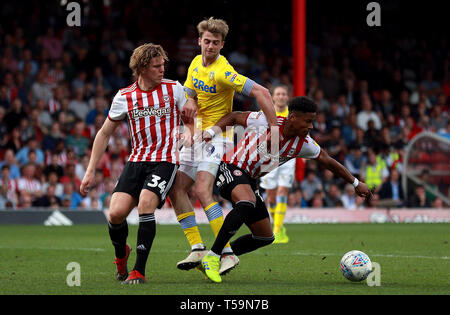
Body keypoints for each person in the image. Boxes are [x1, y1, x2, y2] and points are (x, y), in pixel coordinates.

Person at [196, 96, 372, 283]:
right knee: (247, 202)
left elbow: (328, 161)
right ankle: (213, 257)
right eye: (308, 121)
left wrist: (355, 183)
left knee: (264, 237)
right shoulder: (264, 120)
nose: (311, 127)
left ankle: (222, 255)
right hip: (230, 167)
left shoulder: (304, 144)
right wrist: (212, 131)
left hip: (250, 180)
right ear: (293, 118)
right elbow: (234, 117)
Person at [169, 17, 277, 275]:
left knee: (203, 190)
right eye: (206, 41)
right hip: (196, 134)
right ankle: (197, 247)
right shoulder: (196, 63)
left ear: (222, 45)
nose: (210, 46)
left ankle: (226, 253)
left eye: (215, 43)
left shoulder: (224, 71)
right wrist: (191, 104)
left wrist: (274, 129)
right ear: (199, 41)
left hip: (218, 136)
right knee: (176, 188)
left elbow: (262, 92)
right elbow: (190, 94)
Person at [80, 43, 195, 285]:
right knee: (116, 213)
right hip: (137, 161)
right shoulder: (124, 96)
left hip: (165, 160)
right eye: (156, 66)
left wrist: (189, 133)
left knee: (145, 204)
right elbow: (103, 134)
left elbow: (193, 116)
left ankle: (138, 271)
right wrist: (90, 170)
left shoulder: (174, 89)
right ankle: (121, 255)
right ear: (142, 68)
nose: (162, 69)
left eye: (163, 65)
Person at [259, 85, 295, 243]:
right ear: (273, 97)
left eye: (284, 94)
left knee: (282, 191)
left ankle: (278, 230)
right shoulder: (266, 112)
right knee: (271, 197)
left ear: (287, 97)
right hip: (269, 156)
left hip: (287, 157)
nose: (281, 96)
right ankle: (277, 224)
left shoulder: (293, 115)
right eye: (278, 94)